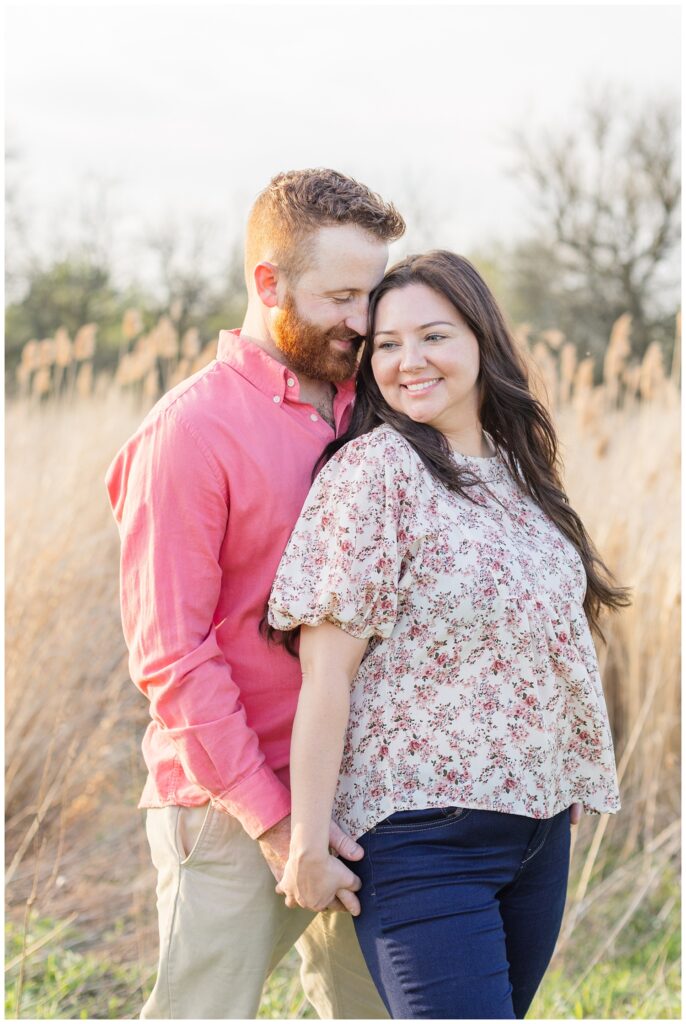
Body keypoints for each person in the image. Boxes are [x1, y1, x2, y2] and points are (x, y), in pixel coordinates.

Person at [268, 250, 627, 1020]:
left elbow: (542, 638)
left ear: (480, 341)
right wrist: (306, 841)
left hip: (536, 837)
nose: (409, 362)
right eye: (387, 345)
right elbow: (326, 675)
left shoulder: (521, 474)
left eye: (433, 336)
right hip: (423, 839)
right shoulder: (376, 473)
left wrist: (554, 762)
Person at [106, 168, 405, 1019]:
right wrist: (278, 824)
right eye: (342, 294)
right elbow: (171, 657)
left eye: (372, 292)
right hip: (231, 807)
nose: (364, 317)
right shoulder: (187, 433)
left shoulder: (376, 412)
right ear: (268, 283)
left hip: (366, 795)